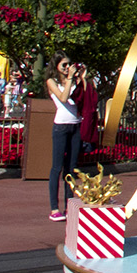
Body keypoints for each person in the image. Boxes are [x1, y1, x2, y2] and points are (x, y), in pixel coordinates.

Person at [46, 56, 92, 222]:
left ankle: (69, 206)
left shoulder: (74, 80)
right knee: (57, 168)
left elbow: (85, 97)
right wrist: (70, 79)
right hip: (61, 127)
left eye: (69, 64)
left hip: (75, 126)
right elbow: (63, 98)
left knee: (71, 169)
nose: (67, 67)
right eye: (64, 65)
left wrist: (82, 77)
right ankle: (54, 208)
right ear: (56, 65)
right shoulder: (52, 81)